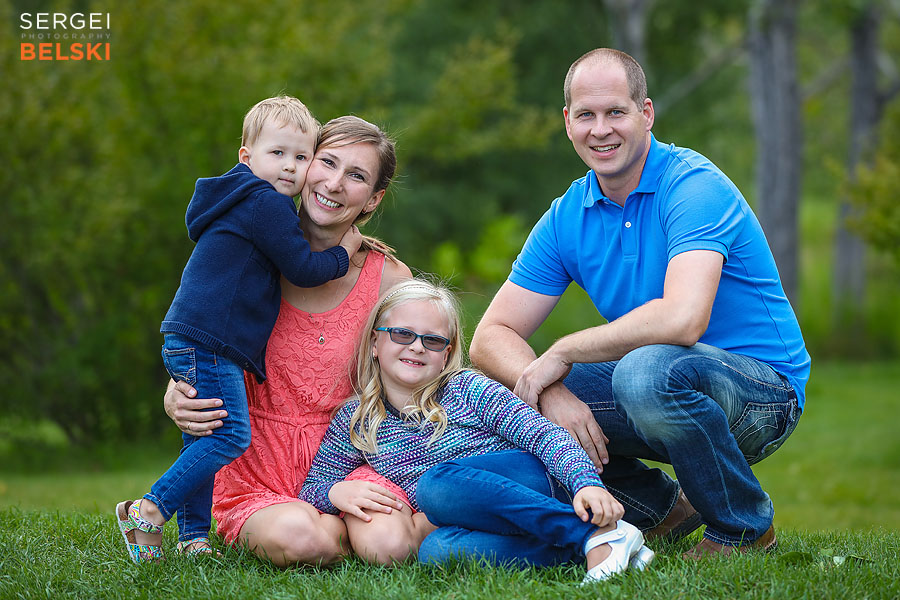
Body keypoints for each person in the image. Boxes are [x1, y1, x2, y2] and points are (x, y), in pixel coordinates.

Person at [469, 48, 810, 559]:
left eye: (616, 112)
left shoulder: (692, 186)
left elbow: (682, 319)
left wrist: (563, 352)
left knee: (643, 372)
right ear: (568, 122)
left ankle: (743, 528)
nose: (600, 129)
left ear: (645, 113)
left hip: (762, 395)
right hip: (662, 388)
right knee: (499, 393)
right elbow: (490, 336)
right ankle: (658, 508)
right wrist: (553, 396)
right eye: (586, 115)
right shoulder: (569, 216)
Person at [162, 115, 428, 567]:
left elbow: (421, 376)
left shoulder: (389, 279)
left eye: (357, 175)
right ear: (302, 167)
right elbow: (197, 334)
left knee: (390, 547)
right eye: (327, 162)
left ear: (373, 199)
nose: (336, 183)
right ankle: (336, 531)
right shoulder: (244, 256)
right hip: (256, 463)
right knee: (303, 539)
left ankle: (383, 525)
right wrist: (178, 390)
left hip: (348, 457)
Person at [115, 97, 364, 564]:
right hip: (210, 341)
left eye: (300, 156)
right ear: (246, 157)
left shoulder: (236, 198)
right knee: (229, 437)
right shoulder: (265, 203)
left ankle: (193, 538)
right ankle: (148, 509)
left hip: (192, 335)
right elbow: (303, 269)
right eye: (278, 153)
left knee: (202, 435)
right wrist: (343, 254)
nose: (290, 167)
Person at [300, 279, 653, 583]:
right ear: (375, 344)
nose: (417, 346)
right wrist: (336, 492)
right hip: (483, 517)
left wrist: (585, 482)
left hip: (533, 487)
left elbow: (545, 435)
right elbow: (312, 487)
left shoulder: (467, 388)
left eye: (433, 340)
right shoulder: (357, 419)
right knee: (437, 552)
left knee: (435, 486)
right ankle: (605, 550)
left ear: (446, 353)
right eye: (402, 334)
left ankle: (592, 533)